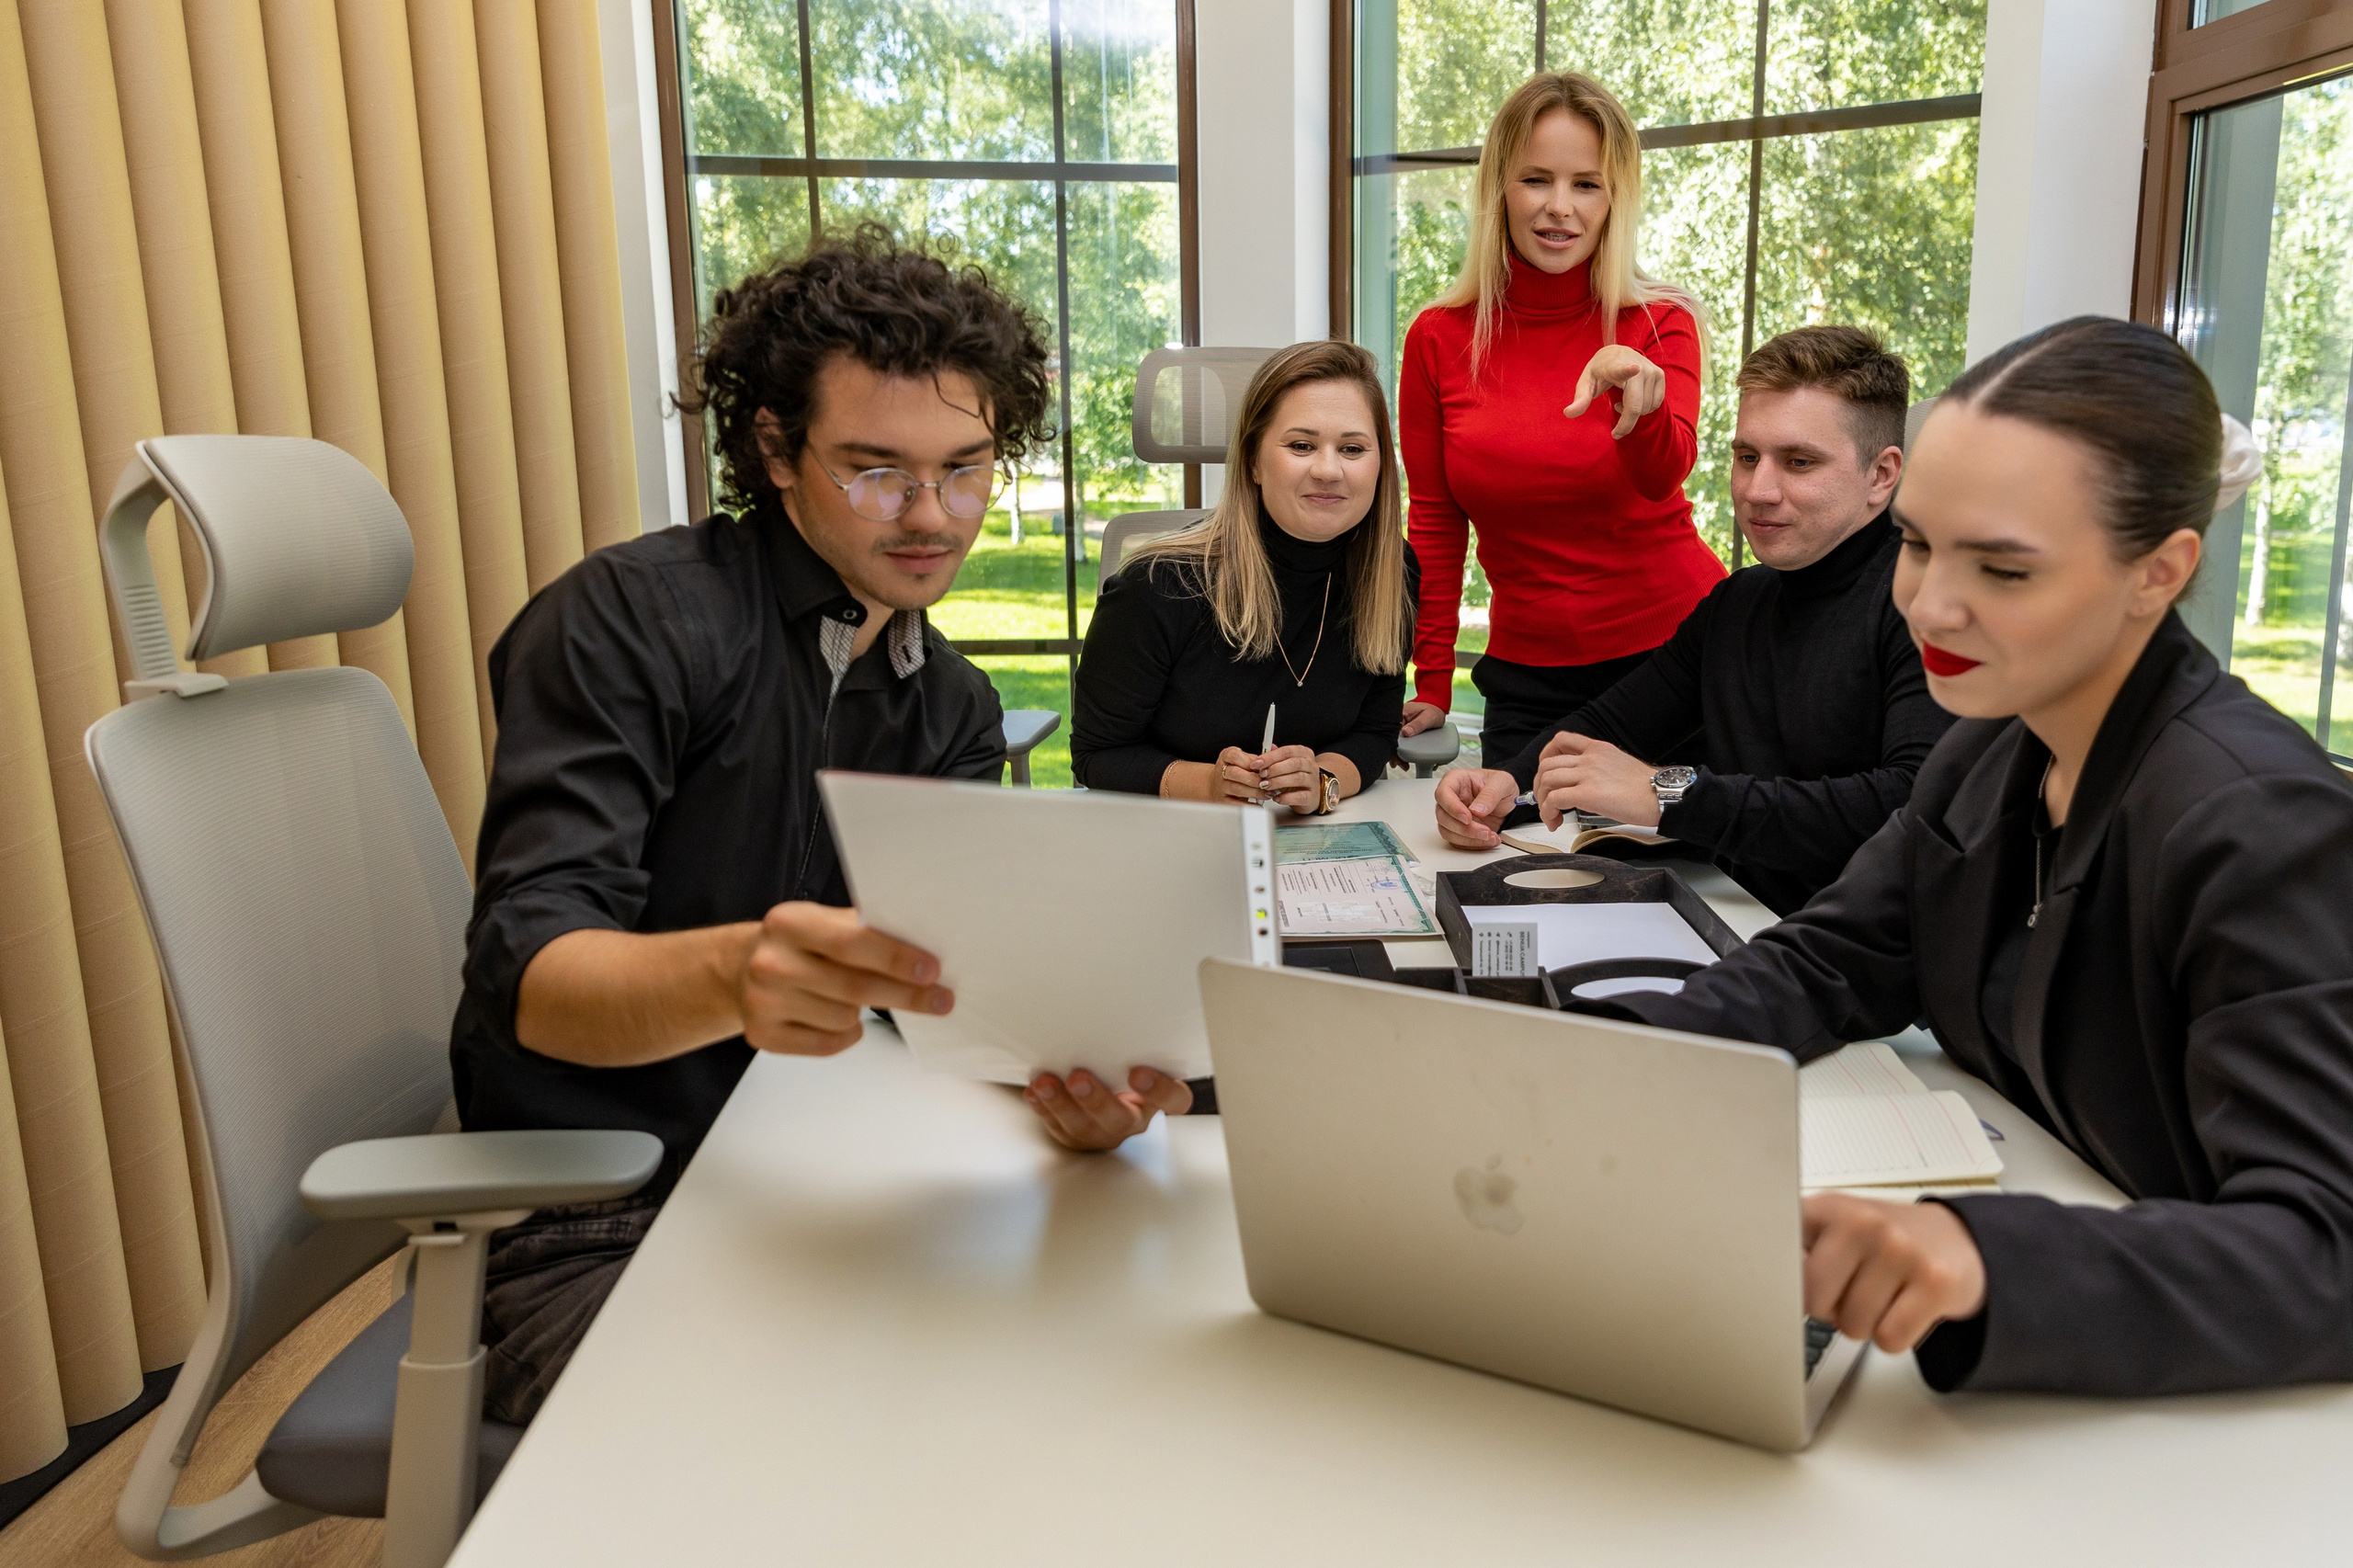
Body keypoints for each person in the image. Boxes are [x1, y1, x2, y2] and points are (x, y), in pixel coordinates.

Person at [449, 231, 1185, 1425]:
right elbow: (530, 974)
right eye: (875, 468)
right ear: (777, 451)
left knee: (1098, 1373)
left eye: (966, 467)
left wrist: (1054, 1073)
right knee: (874, 1446)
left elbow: (945, 988)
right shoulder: (630, 622)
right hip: (598, 1214)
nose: (932, 516)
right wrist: (739, 972)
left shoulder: (947, 700)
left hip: (818, 1166)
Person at [1584, 316, 2353, 1396]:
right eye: (1913, 542)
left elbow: (2326, 1247)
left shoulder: (2260, 819)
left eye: (1999, 566)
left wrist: (1981, 1255)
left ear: (2158, 570)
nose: (1928, 604)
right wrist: (1593, 1061)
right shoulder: (1994, 746)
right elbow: (1828, 961)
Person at [1434, 325, 1957, 915]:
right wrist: (1509, 781)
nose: (1758, 490)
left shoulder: (1932, 605)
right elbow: (1617, 719)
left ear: (1882, 476)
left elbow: (1907, 803)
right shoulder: (1738, 603)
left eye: (1799, 462)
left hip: (1862, 955)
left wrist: (1666, 792)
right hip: (1739, 917)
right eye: (1746, 457)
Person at [1397, 70, 1725, 767]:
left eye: (1587, 184)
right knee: (1505, 850)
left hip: (1676, 656)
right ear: (1499, 190)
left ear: (1615, 200)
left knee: (1668, 863)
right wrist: (1429, 679)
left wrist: (1638, 403)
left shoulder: (1661, 322)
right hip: (1529, 671)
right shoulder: (1439, 336)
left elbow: (1665, 476)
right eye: (1536, 179)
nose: (1559, 208)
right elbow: (1433, 518)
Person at [1071, 339, 1414, 816]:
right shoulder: (1157, 586)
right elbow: (1097, 757)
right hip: (1173, 834)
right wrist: (1210, 785)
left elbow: (1374, 734)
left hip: (1312, 853)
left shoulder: (1391, 572)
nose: (1329, 469)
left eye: (1353, 448)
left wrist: (1324, 783)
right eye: (1301, 445)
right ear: (1253, 461)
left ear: (1380, 465)